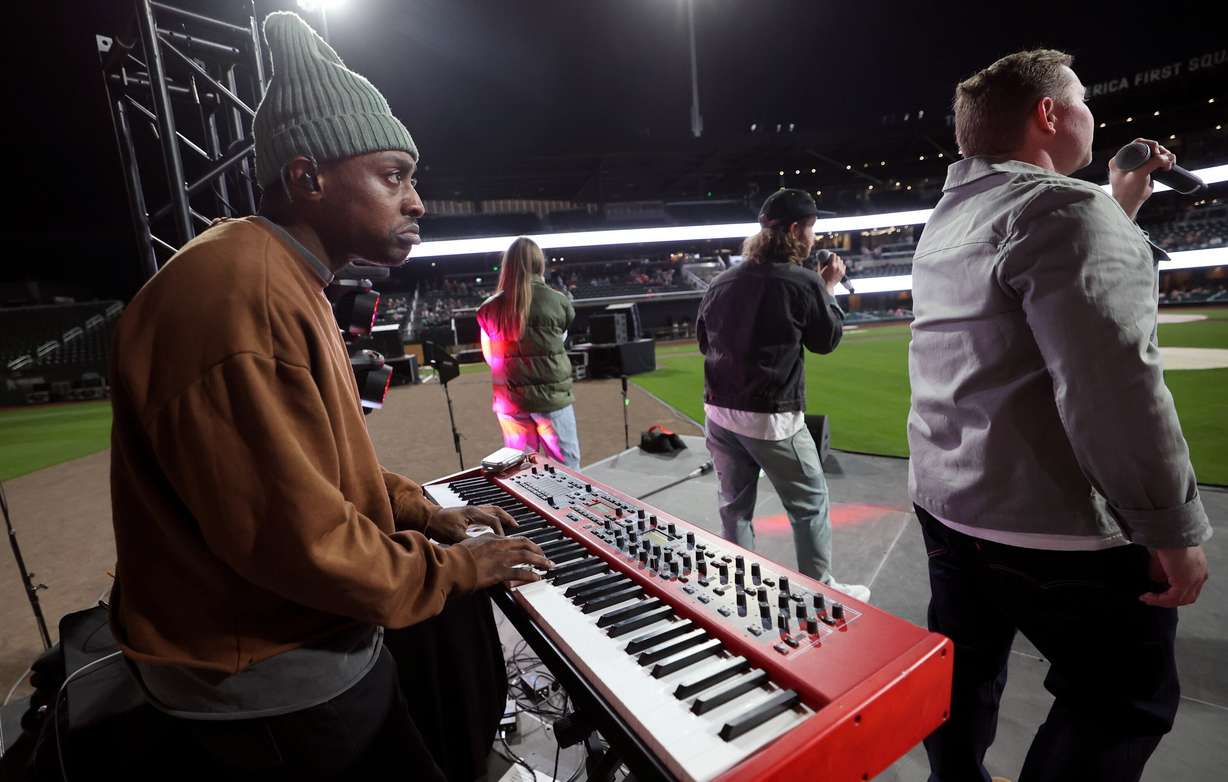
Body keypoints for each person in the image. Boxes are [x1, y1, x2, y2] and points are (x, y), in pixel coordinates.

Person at [106, 13, 549, 779]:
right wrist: (454, 569)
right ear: (309, 178)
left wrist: (424, 512)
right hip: (266, 678)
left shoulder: (277, 274)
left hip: (276, 653)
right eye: (393, 176)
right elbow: (294, 539)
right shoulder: (241, 295)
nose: (417, 202)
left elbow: (311, 468)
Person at [908, 49, 1212, 782]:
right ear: (1048, 113)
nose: (1088, 112)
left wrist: (1118, 203)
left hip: (949, 506)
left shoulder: (951, 218)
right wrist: (1171, 525)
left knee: (963, 675)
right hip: (1053, 531)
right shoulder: (1067, 211)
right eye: (1080, 99)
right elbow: (1115, 392)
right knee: (1120, 702)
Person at [696, 188, 870, 600]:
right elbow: (825, 341)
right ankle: (820, 590)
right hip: (770, 416)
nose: (813, 238)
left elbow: (706, 343)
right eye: (811, 229)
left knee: (734, 506)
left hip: (719, 411)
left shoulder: (721, 281)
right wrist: (828, 288)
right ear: (796, 230)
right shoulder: (804, 281)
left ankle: (739, 586)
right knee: (809, 503)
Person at [478, 237, 581, 468]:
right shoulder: (559, 301)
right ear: (539, 263)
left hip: (510, 402)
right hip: (552, 399)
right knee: (567, 467)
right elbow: (559, 343)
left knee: (519, 469)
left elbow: (490, 358)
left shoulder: (488, 308)